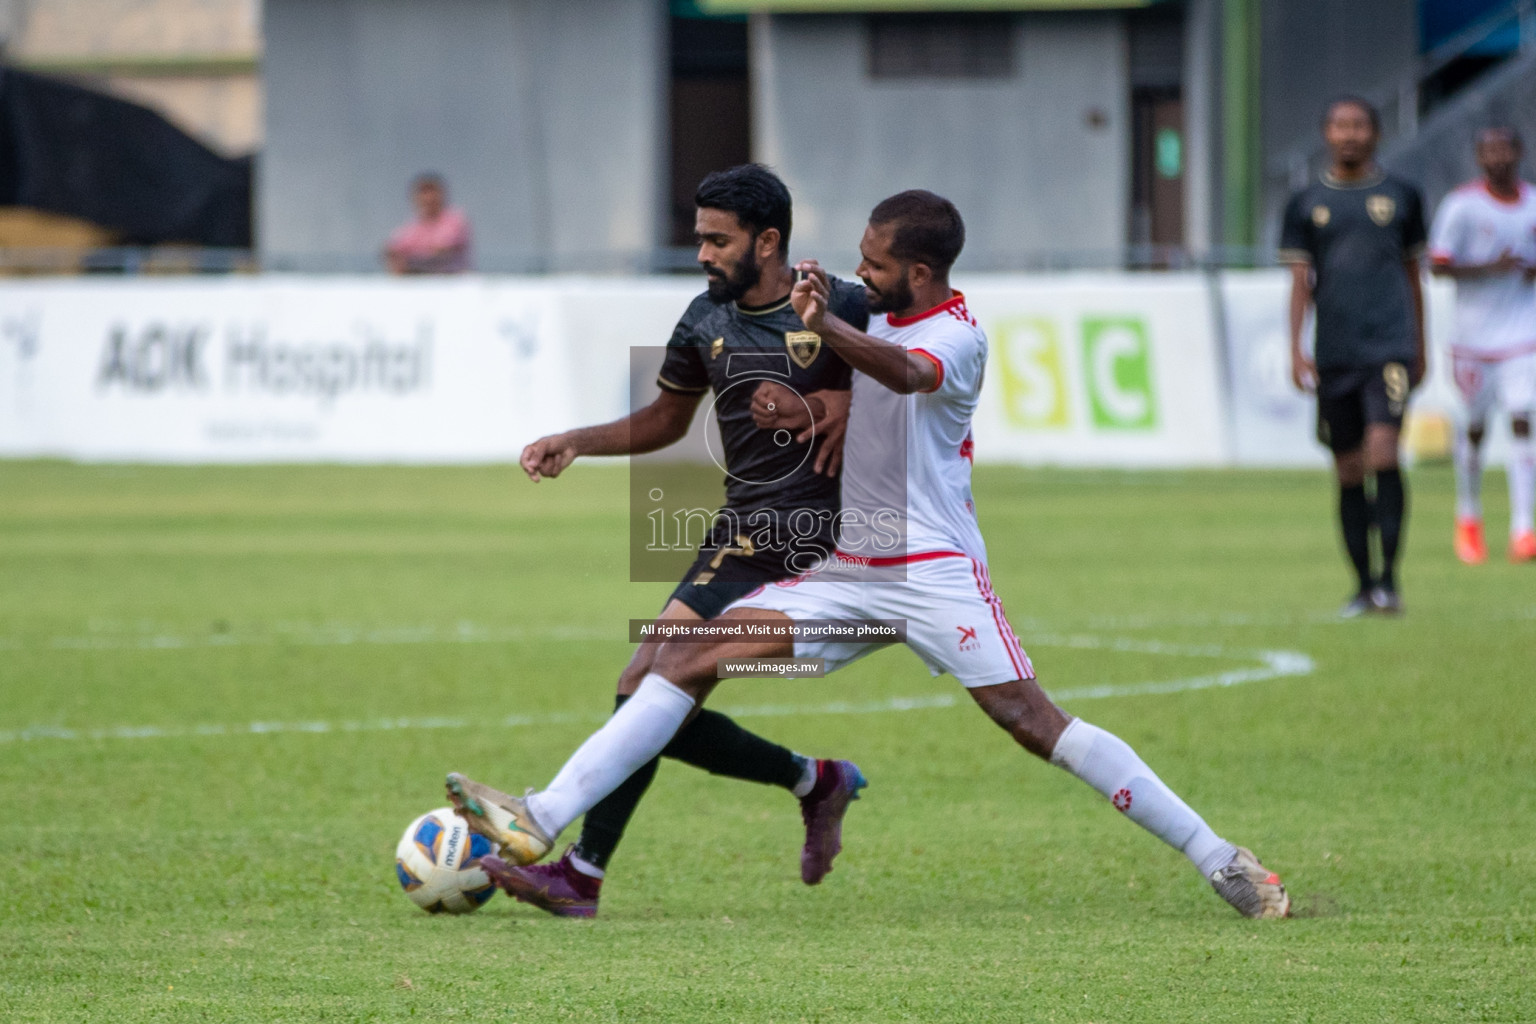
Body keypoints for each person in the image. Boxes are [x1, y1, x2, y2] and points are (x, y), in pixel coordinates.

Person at [448, 190, 1291, 920]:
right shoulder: (866, 308)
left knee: (1032, 722)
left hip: (934, 573)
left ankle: (1220, 858)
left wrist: (834, 343)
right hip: (851, 572)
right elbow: (848, 349)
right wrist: (828, 375)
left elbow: (908, 374)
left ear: (920, 273)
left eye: (875, 263)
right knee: (680, 659)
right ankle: (544, 817)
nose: (863, 273)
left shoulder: (958, 335)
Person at [494, 164, 872, 917]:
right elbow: (667, 420)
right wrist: (579, 440)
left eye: (717, 240)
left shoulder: (844, 306)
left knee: (648, 686)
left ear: (768, 242)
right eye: (698, 237)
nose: (701, 253)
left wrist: (850, 400)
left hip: (814, 535)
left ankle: (581, 874)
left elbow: (927, 375)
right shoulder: (705, 319)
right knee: (646, 691)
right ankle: (814, 780)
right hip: (740, 529)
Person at [1280, 97, 1428, 616]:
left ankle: (1391, 581)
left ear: (1375, 134)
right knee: (1346, 469)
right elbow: (1300, 282)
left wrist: (1420, 345)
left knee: (1384, 454)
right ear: (1326, 133)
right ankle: (1363, 586)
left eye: (1359, 125)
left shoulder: (1402, 195)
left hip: (1388, 347)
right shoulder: (1305, 202)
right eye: (1340, 125)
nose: (1349, 134)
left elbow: (1414, 278)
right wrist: (1296, 348)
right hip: (1335, 351)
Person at [1427, 126, 1536, 564]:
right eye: (1488, 151)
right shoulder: (1461, 206)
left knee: (1523, 420)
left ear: (1519, 152)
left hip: (1522, 336)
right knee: (1475, 428)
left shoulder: (1532, 203)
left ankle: (1523, 527)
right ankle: (1468, 516)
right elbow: (1437, 266)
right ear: (1479, 157)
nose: (1497, 158)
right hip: (1472, 339)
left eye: (1504, 149)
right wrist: (1490, 268)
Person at [383, 173, 472, 274]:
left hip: (452, 282)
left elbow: (442, 252)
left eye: (432, 193)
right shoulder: (414, 227)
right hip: (421, 281)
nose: (428, 199)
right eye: (424, 194)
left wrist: (410, 259)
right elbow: (392, 249)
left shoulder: (454, 220)